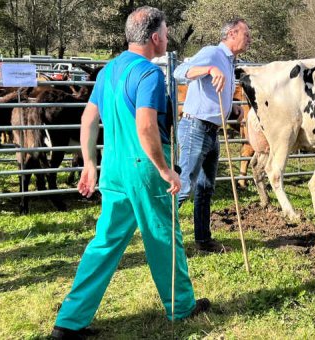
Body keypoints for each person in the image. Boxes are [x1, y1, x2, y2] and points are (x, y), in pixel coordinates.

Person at [51, 6, 209, 339]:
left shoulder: (108, 71)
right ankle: (181, 307)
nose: (167, 37)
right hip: (145, 170)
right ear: (155, 38)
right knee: (164, 237)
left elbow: (88, 120)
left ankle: (69, 320)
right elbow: (146, 126)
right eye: (166, 32)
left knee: (104, 243)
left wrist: (89, 163)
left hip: (113, 170)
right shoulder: (150, 74)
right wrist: (166, 170)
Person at [173, 18, 251, 253]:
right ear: (231, 34)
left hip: (212, 131)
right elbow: (179, 72)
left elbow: (215, 91)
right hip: (195, 128)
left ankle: (203, 239)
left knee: (206, 188)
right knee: (183, 186)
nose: (249, 39)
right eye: (246, 34)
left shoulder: (229, 61)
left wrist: (232, 109)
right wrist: (208, 69)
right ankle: (161, 240)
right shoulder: (213, 54)